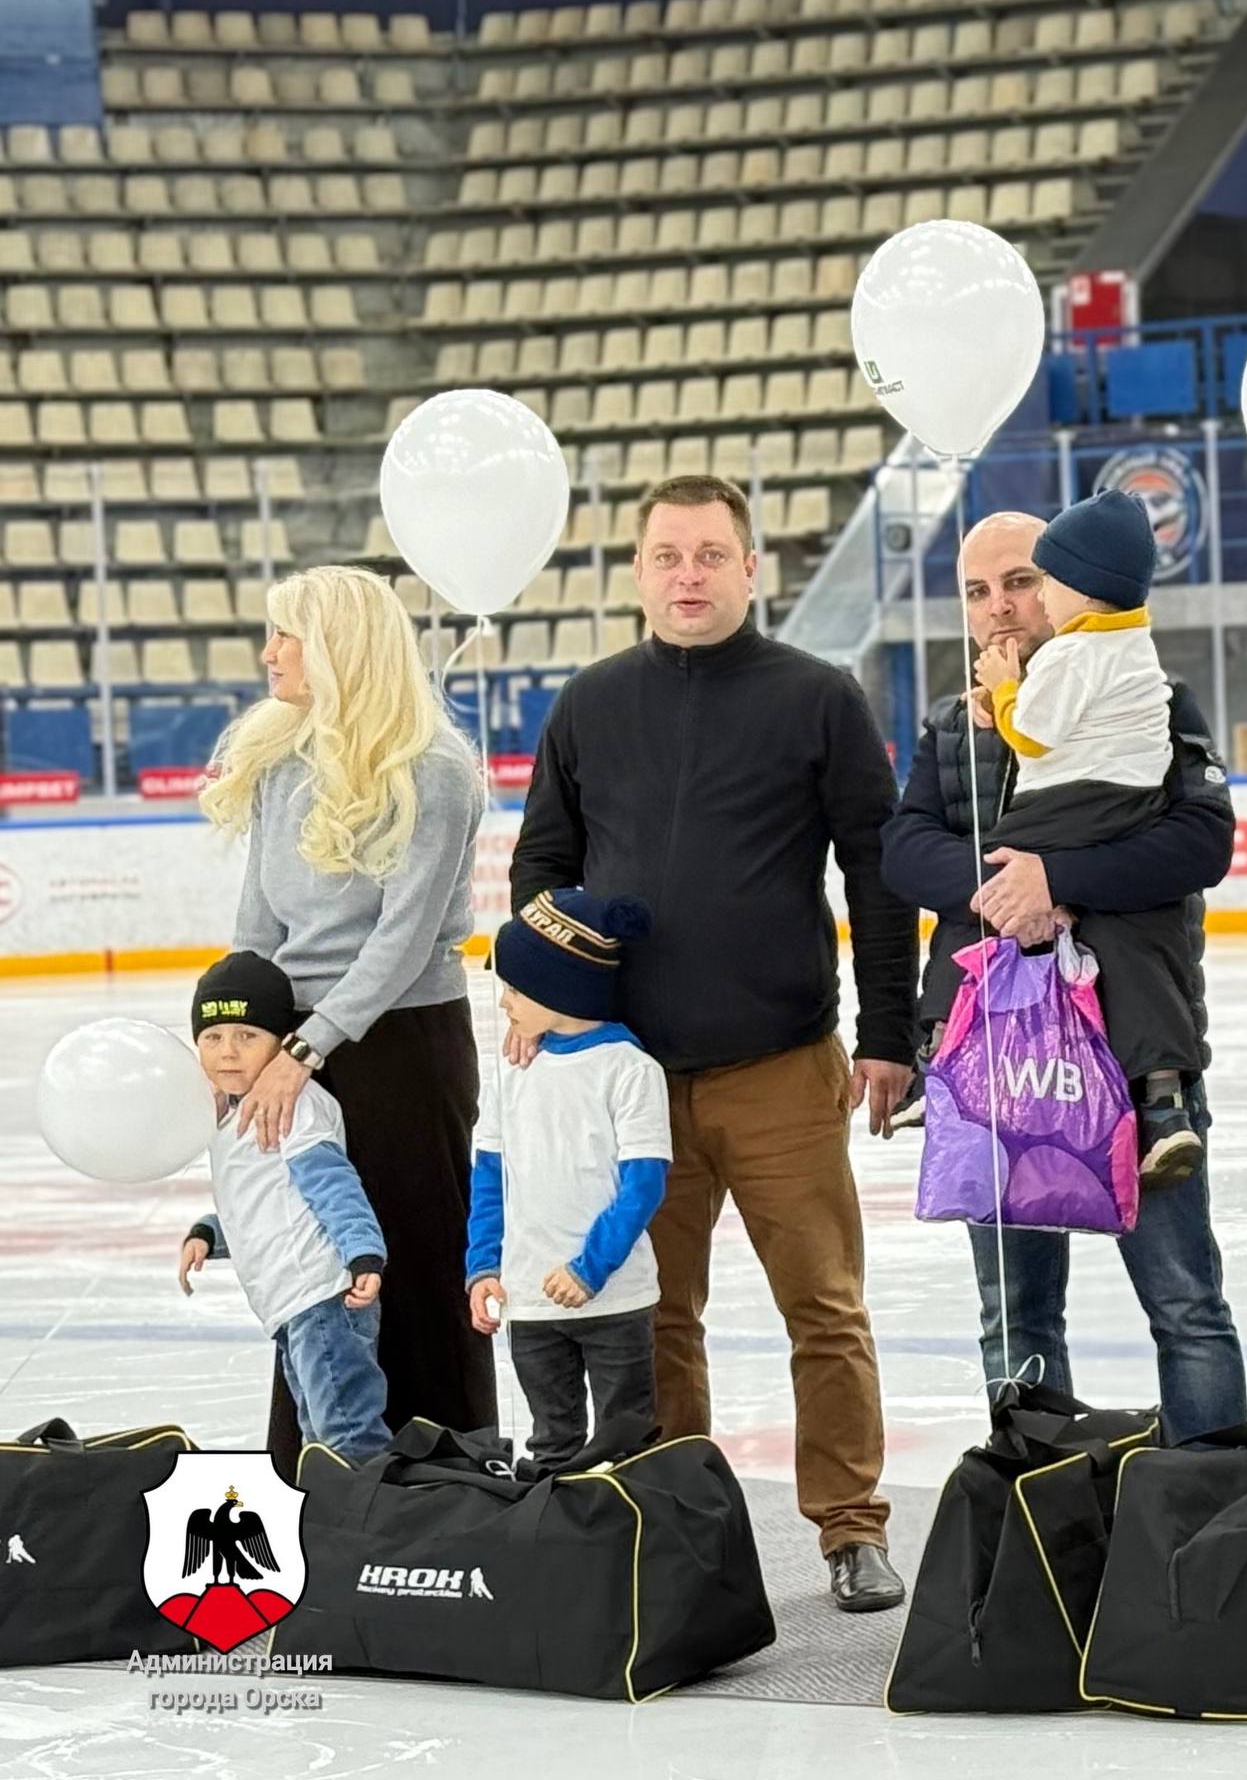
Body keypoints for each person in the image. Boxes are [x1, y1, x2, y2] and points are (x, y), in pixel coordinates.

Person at [510, 473, 918, 1613]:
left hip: (783, 1065)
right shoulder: (588, 705)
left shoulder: (819, 698)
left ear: (751, 569)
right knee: (650, 1319)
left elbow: (878, 877)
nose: (688, 575)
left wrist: (889, 1031)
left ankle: (849, 1527)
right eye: (666, 556)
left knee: (823, 1306)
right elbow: (540, 870)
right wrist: (540, 995)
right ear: (639, 573)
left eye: (709, 555)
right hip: (629, 1078)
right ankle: (674, 1520)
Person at [881, 510, 1246, 1443]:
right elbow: (905, 848)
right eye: (977, 591)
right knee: (1019, 1321)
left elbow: (1201, 843)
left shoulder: (1149, 696)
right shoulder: (947, 725)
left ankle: (1211, 1513)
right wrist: (1008, 891)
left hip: (1130, 1055)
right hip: (997, 1062)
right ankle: (1038, 1518)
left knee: (1186, 1309)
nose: (1001, 607)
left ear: (1064, 584)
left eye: (1020, 581)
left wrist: (1061, 879)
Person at [200, 565, 490, 1477]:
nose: (268, 653)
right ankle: (318, 1479)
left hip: (402, 1045)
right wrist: (246, 1045)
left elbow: (401, 943)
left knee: (408, 1262)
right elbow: (258, 928)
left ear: (337, 648)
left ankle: (444, 1481)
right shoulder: (281, 763)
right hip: (299, 1044)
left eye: (285, 635)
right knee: (315, 1267)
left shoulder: (433, 772)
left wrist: (309, 1047)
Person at [969, 487, 1204, 1186]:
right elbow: (909, 848)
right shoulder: (1138, 649)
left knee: (986, 874)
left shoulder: (1074, 656)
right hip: (1129, 806)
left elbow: (1033, 734)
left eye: (1037, 582)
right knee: (1138, 931)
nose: (1029, 602)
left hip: (1074, 808)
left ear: (1083, 587)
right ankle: (1162, 1098)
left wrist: (1006, 688)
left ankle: (940, 1053)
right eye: (982, 591)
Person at [467, 889, 672, 1476]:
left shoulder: (629, 1071)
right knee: (551, 1448)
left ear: (560, 986)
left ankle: (629, 1556)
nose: (503, 1003)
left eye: (514, 987)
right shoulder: (511, 1070)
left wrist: (588, 1269)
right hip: (530, 1303)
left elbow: (642, 1186)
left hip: (614, 1300)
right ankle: (558, 1557)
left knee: (624, 1447)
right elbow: (489, 1177)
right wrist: (484, 1266)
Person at [177, 950, 391, 1462]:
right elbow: (265, 1202)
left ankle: (365, 1521)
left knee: (346, 1431)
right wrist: (210, 1232)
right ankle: (331, 1519)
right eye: (213, 1037)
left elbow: (332, 1183)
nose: (228, 1051)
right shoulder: (229, 1119)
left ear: (282, 1044)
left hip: (322, 1296)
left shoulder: (296, 1105)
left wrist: (364, 1252)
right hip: (292, 1304)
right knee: (315, 1428)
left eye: (247, 1036)